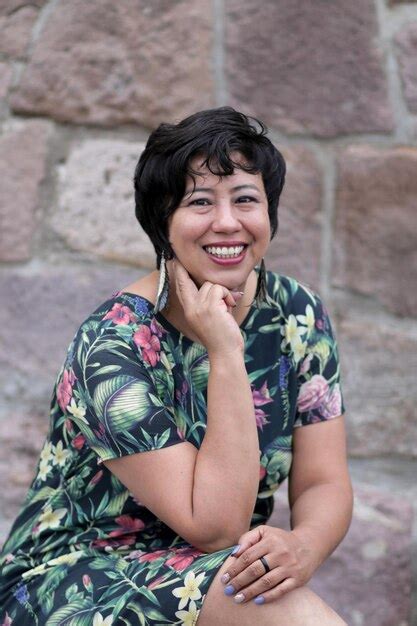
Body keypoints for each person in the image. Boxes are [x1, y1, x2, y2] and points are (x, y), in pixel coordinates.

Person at [0, 106, 353, 625]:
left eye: (246, 200)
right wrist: (226, 350)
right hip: (73, 581)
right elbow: (214, 526)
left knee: (268, 594)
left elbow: (324, 480)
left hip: (214, 571)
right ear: (163, 225)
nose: (228, 222)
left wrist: (302, 546)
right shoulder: (113, 345)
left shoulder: (296, 314)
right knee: (284, 613)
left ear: (270, 216)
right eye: (200, 202)